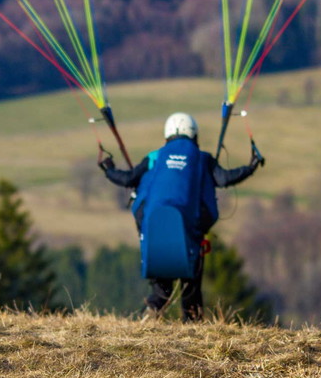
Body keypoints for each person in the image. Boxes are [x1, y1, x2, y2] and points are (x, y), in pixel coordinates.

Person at [99, 112, 263, 321]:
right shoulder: (202, 159)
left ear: (167, 136)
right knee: (191, 277)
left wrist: (108, 169)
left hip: (153, 231)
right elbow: (224, 178)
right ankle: (192, 319)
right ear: (194, 135)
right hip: (190, 233)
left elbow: (128, 178)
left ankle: (154, 308)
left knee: (161, 280)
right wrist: (250, 167)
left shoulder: (154, 157)